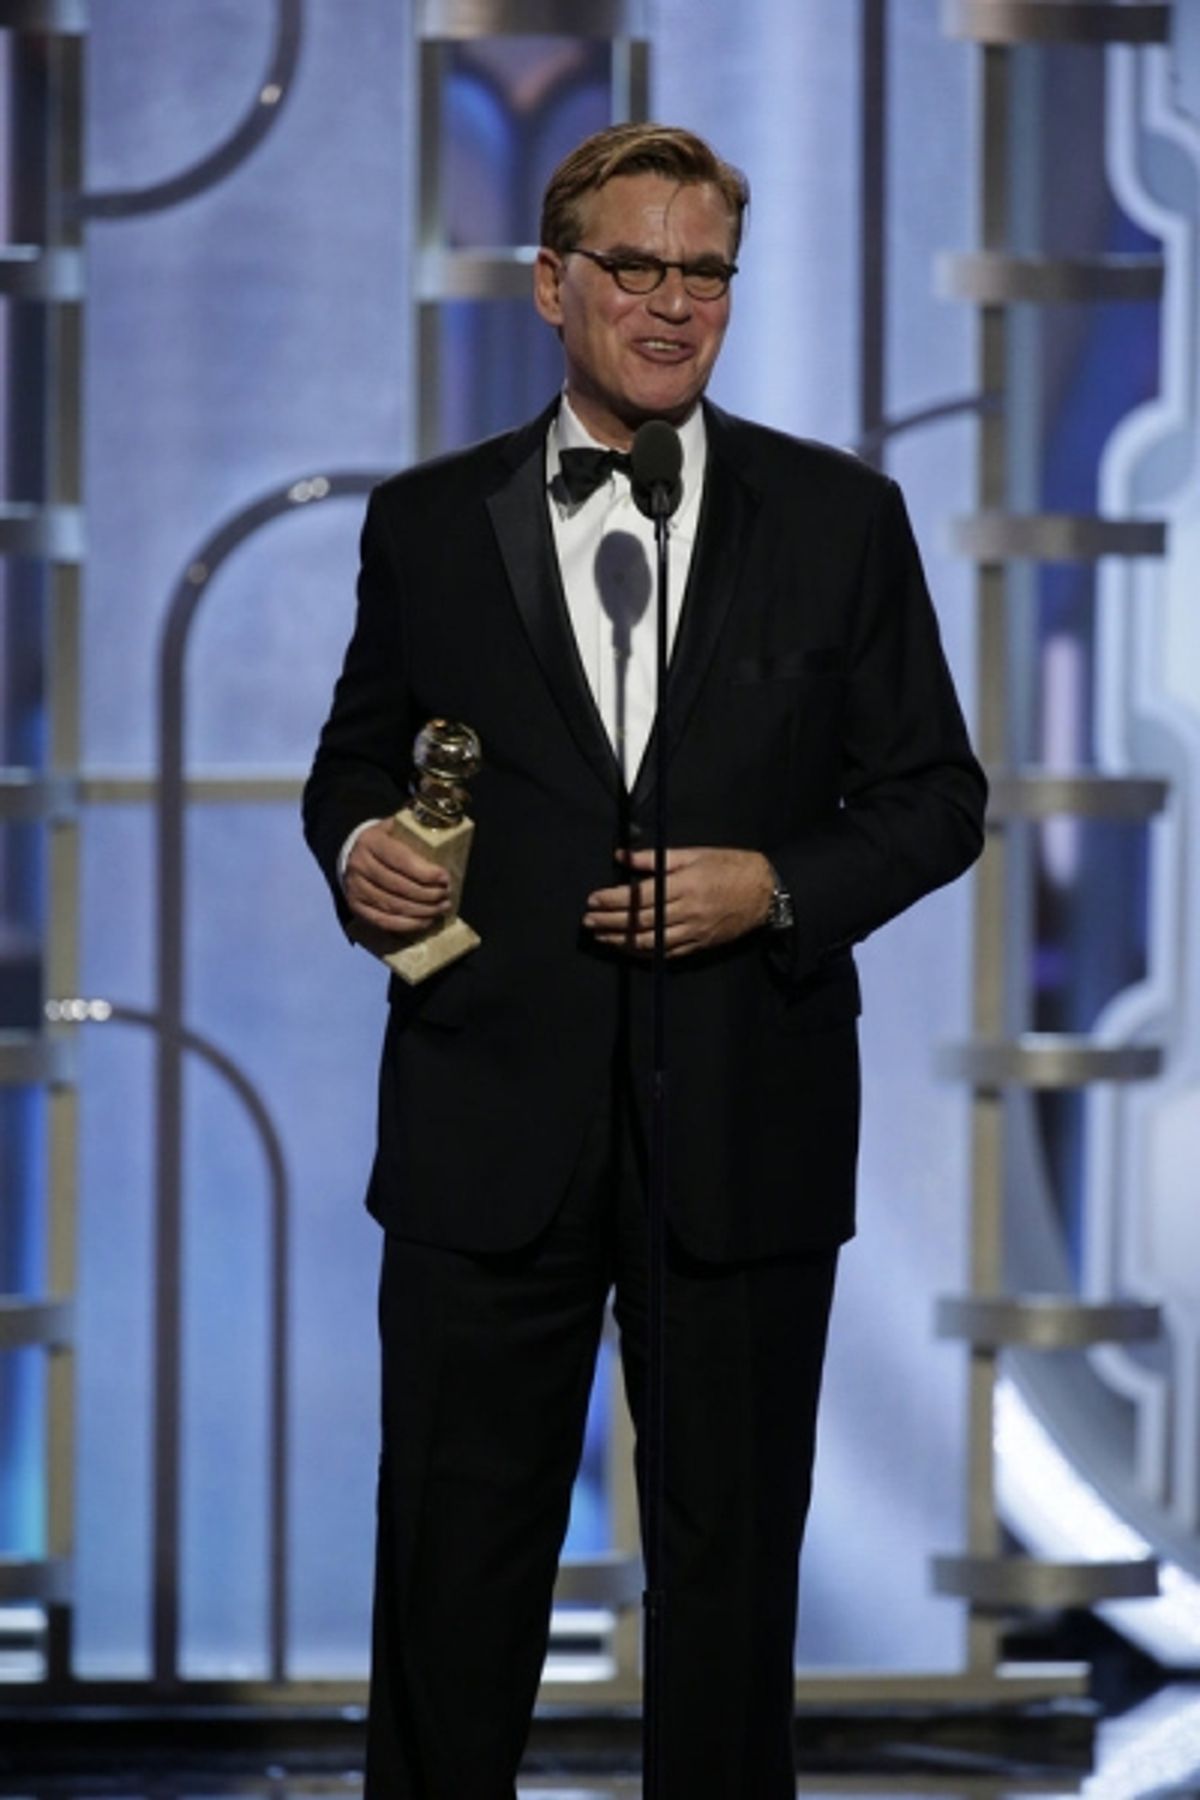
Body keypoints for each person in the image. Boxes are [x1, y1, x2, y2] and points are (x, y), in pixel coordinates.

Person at [304, 122, 987, 1800]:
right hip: (488, 1134)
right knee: (452, 1589)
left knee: (731, 1597)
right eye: (637, 267)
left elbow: (935, 799)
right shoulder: (427, 526)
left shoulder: (842, 521)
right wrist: (358, 854)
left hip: (741, 1131)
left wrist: (774, 884)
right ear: (553, 286)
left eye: (706, 274)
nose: (674, 305)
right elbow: (357, 763)